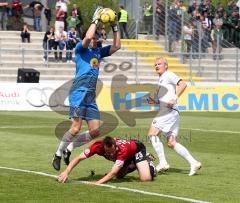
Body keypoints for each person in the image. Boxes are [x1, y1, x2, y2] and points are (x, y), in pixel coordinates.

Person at [52, 7, 121, 171]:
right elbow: (88, 36)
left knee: (95, 131)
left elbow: (117, 45)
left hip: (90, 96)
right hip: (77, 93)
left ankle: (69, 149)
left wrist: (116, 26)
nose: (100, 38)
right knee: (75, 128)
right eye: (98, 36)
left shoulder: (98, 51)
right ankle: (58, 153)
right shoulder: (80, 49)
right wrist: (95, 20)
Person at [147, 57, 201, 176]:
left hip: (168, 111)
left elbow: (183, 84)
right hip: (172, 111)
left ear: (166, 65)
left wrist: (174, 98)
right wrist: (155, 101)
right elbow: (165, 97)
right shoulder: (161, 79)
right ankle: (194, 163)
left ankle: (163, 162)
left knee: (152, 134)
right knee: (171, 142)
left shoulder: (168, 74)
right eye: (155, 64)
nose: (156, 66)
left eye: (159, 64)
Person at [58, 136, 156, 184]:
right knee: (120, 176)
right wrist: (66, 172)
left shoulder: (122, 150)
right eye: (108, 152)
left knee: (145, 179)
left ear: (115, 146)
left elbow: (112, 173)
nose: (112, 154)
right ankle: (134, 164)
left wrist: (97, 183)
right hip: (127, 156)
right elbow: (78, 158)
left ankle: (148, 161)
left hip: (137, 149)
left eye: (113, 151)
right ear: (103, 147)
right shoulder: (97, 146)